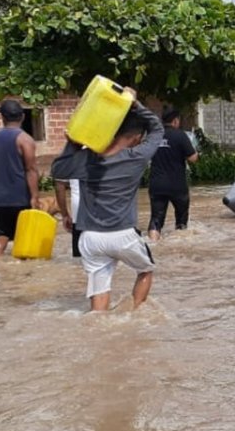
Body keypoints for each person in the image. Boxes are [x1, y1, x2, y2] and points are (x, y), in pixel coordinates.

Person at [51, 95, 164, 312]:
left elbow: (58, 172)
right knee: (146, 270)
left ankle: (98, 329)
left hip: (90, 238)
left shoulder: (86, 158)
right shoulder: (136, 157)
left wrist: (72, 143)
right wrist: (135, 104)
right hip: (124, 235)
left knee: (99, 287)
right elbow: (157, 129)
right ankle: (133, 317)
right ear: (137, 138)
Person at [0, 99, 39, 256]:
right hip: (20, 197)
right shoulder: (26, 139)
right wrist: (35, 197)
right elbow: (31, 169)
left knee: (0, 235)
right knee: (24, 238)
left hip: (0, 198)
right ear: (22, 117)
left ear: (3, 117)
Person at [147, 108, 199, 240]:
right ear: (175, 121)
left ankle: (153, 244)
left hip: (156, 183)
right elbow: (193, 158)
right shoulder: (180, 135)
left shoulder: (154, 135)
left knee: (156, 219)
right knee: (181, 221)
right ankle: (180, 247)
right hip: (177, 185)